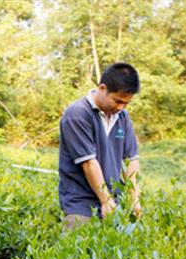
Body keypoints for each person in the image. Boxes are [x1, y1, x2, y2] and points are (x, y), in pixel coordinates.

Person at [58, 62, 141, 230]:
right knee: (78, 248)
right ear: (102, 88)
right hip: (81, 204)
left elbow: (131, 161)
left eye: (126, 103)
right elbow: (88, 162)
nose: (121, 107)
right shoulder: (78, 114)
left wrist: (135, 199)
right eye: (117, 101)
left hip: (113, 202)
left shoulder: (123, 117)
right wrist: (105, 200)